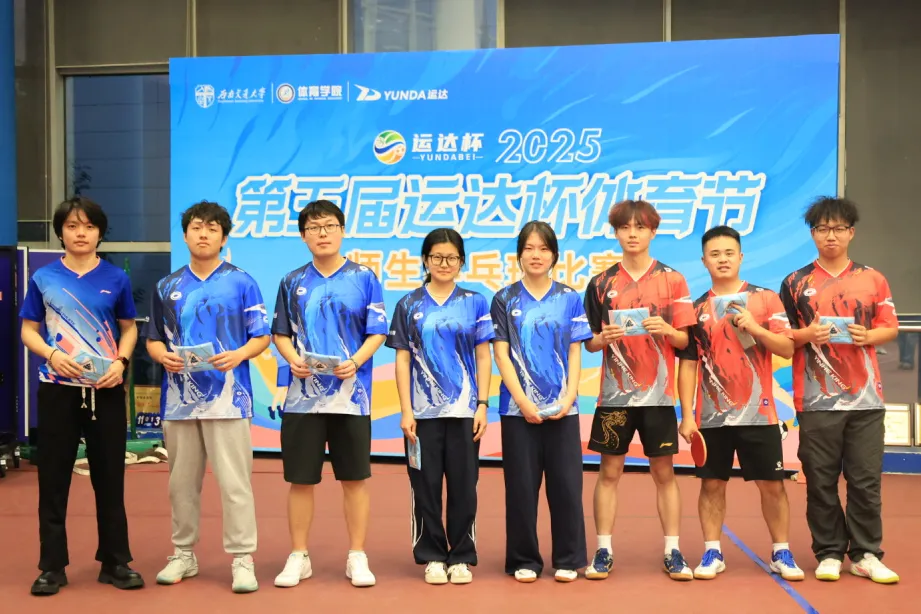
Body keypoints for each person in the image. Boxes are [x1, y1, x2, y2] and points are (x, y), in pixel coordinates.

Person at [20, 197, 144, 596]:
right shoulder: (44, 278)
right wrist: (52, 355)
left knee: (110, 478)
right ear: (61, 232)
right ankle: (52, 566)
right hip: (57, 390)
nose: (80, 233)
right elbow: (28, 330)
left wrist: (121, 363)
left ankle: (115, 561)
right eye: (72, 226)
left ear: (100, 233)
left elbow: (129, 327)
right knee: (53, 479)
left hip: (105, 390)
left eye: (89, 226)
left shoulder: (115, 277)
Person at [145, 201, 271, 593]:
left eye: (212, 228)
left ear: (224, 237)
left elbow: (262, 336)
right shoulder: (167, 286)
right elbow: (153, 339)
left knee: (235, 484)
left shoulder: (242, 282)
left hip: (230, 401)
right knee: (181, 485)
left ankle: (243, 558)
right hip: (178, 402)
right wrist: (162, 356)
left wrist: (239, 354)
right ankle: (183, 553)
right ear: (185, 235)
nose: (203, 234)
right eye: (197, 227)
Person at [779, 197, 899, 584]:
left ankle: (866, 554)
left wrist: (869, 336)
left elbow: (890, 327)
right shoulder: (795, 282)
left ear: (851, 232)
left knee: (865, 481)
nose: (830, 236)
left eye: (838, 229)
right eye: (822, 229)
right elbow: (783, 337)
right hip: (816, 401)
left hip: (866, 401)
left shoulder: (873, 278)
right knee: (820, 480)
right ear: (812, 234)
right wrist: (807, 334)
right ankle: (829, 551)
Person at [676, 225, 804, 581]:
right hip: (712, 417)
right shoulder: (696, 308)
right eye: (715, 254)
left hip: (759, 414)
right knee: (711, 484)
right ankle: (712, 551)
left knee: (772, 485)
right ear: (704, 261)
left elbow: (787, 348)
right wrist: (687, 415)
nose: (723, 259)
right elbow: (688, 364)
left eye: (729, 253)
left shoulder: (765, 299)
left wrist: (756, 328)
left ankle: (781, 552)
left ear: (741, 257)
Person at [271, 199, 387, 589]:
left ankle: (357, 555)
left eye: (329, 226)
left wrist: (355, 361)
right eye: (314, 227)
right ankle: (298, 556)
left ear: (342, 230)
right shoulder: (291, 281)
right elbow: (280, 334)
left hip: (352, 397)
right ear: (303, 236)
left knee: (354, 478)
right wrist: (293, 359)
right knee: (301, 479)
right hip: (302, 398)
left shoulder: (364, 277)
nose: (322, 233)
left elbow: (377, 332)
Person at [583, 199, 696, 581]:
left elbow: (686, 342)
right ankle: (603, 550)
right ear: (616, 232)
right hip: (614, 397)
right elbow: (589, 342)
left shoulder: (673, 280)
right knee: (609, 472)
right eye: (625, 227)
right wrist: (602, 338)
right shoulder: (601, 283)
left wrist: (667, 330)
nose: (632, 234)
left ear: (653, 231)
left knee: (664, 473)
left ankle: (673, 550)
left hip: (659, 398)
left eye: (640, 227)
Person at [387, 228, 493, 585]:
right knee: (425, 485)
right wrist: (406, 410)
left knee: (464, 485)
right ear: (425, 260)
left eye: (451, 258)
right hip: (422, 416)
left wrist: (482, 404)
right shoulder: (408, 304)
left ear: (461, 261)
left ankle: (461, 555)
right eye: (437, 257)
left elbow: (483, 355)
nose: (444, 264)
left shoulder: (475, 302)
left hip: (465, 413)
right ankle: (432, 554)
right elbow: (402, 360)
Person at [490, 222, 593, 583]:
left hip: (563, 408)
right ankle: (524, 559)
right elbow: (501, 354)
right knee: (521, 487)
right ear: (519, 254)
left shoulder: (569, 297)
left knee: (566, 486)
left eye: (544, 248)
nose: (536, 255)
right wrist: (523, 402)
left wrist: (569, 396)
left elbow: (575, 351)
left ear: (554, 255)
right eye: (529, 248)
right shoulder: (504, 299)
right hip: (517, 411)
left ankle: (568, 558)